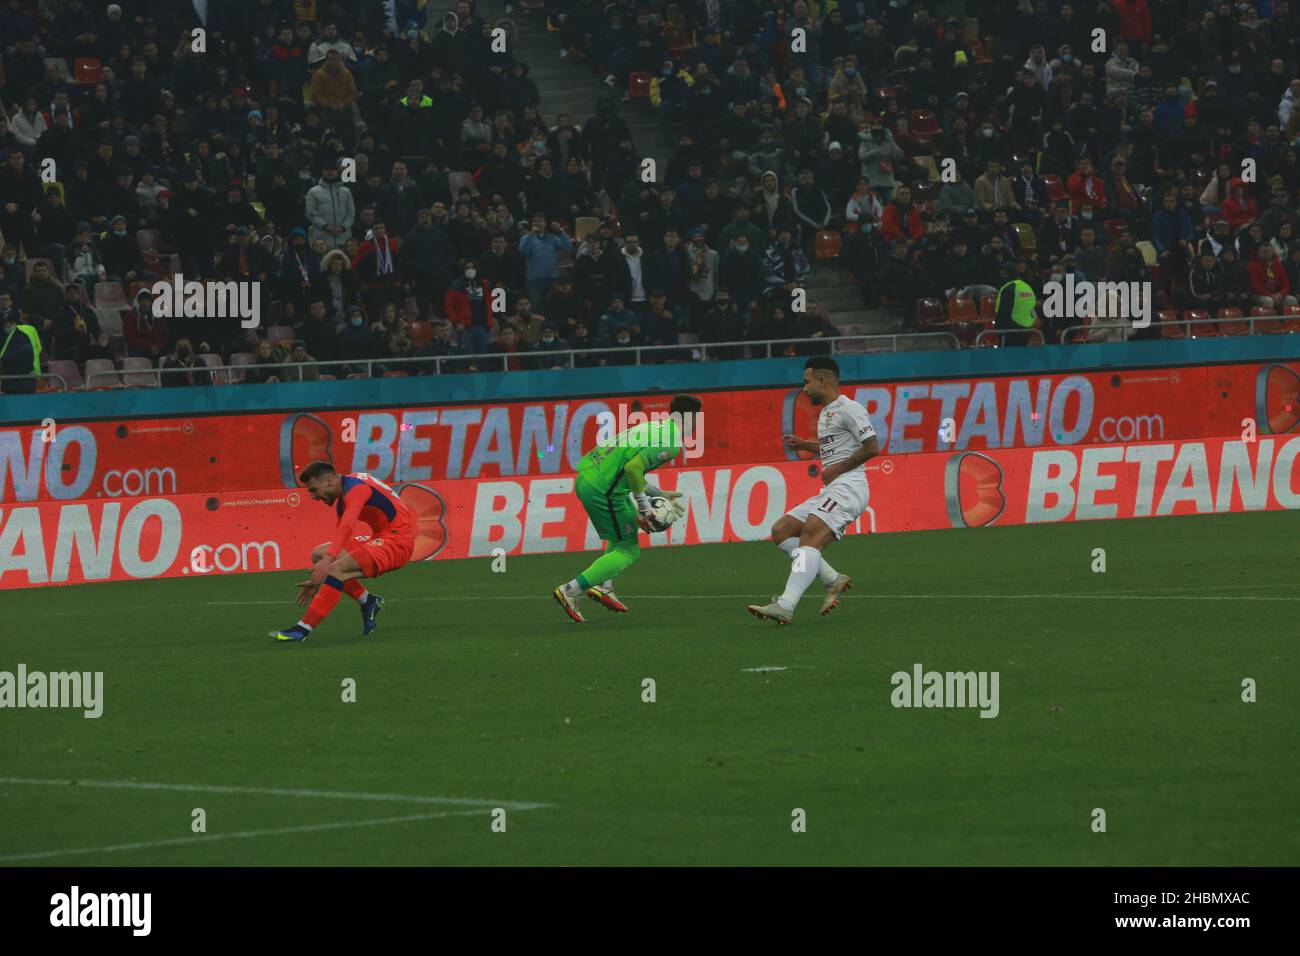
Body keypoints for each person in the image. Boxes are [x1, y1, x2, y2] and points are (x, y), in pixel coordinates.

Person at [552, 394, 702, 622]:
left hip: (591, 477)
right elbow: (633, 469)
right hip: (603, 489)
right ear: (689, 418)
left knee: (625, 533)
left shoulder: (655, 426)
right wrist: (645, 509)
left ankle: (604, 586)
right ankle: (570, 590)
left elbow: (630, 469)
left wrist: (658, 494)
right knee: (628, 550)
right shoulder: (671, 443)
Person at [748, 356, 874, 625]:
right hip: (835, 486)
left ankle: (786, 605)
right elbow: (835, 448)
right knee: (782, 530)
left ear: (822, 380)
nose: (803, 389)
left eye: (806, 382)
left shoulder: (849, 408)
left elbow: (872, 447)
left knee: (810, 539)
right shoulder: (827, 412)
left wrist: (838, 469)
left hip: (849, 486)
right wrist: (805, 444)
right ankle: (831, 578)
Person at [270, 463, 415, 643]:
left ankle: (302, 629)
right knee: (319, 555)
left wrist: (328, 566)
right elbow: (341, 537)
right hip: (381, 536)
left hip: (398, 541)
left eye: (314, 489)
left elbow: (347, 527)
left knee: (333, 567)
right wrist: (322, 574)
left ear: (329, 481)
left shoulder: (356, 490)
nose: (313, 496)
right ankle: (368, 601)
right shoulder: (346, 490)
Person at [0, 300, 41, 394]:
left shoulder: (21, 336)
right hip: (13, 381)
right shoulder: (8, 337)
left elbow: (21, 353)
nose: (7, 326)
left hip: (22, 381)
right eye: (5, 323)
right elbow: (38, 349)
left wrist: (4, 359)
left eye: (10, 323)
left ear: (16, 323)